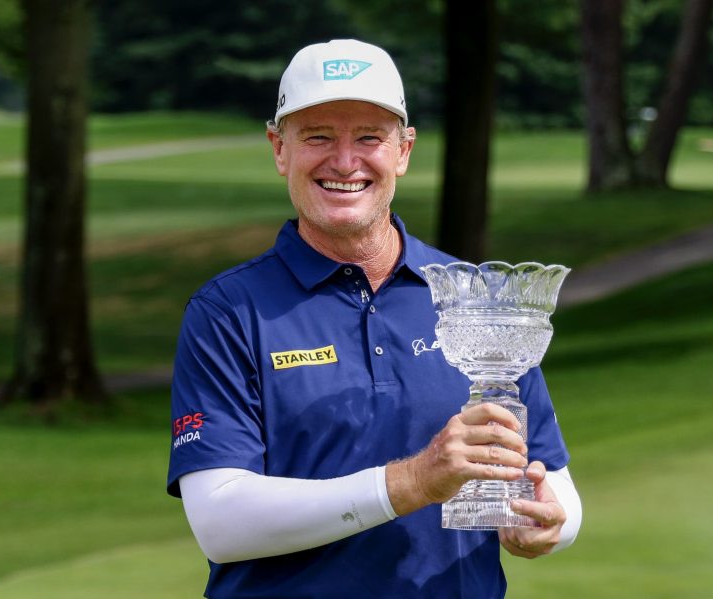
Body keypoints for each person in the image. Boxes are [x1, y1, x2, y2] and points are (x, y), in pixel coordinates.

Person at [167, 39, 582, 598]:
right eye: (318, 137)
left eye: (370, 137)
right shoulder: (228, 311)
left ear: (404, 150)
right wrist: (413, 481)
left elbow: (552, 480)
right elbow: (222, 524)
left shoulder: (474, 293)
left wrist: (547, 523)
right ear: (279, 148)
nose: (345, 162)